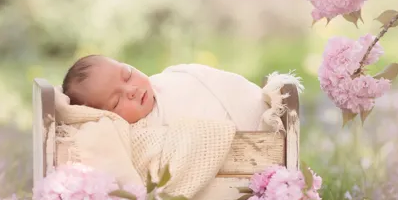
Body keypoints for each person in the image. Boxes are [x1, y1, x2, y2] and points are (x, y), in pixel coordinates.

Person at [61, 54, 273, 130]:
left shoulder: (169, 80)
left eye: (127, 74)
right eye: (116, 101)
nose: (131, 90)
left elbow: (219, 83)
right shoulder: (143, 133)